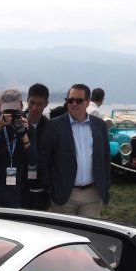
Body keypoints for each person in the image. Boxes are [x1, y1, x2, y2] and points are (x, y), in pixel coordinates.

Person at [39, 83, 111, 218]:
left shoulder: (99, 125)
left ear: (88, 102)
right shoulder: (53, 125)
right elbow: (44, 160)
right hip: (64, 194)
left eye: (78, 100)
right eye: (70, 100)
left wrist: (106, 183)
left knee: (89, 235)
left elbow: (105, 157)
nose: (74, 104)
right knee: (63, 235)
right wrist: (51, 190)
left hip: (92, 194)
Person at [23, 83, 51, 210]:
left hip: (41, 186)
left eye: (39, 104)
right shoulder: (17, 123)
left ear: (46, 104)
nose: (34, 108)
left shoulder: (51, 127)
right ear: (26, 101)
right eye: (31, 103)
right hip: (18, 183)